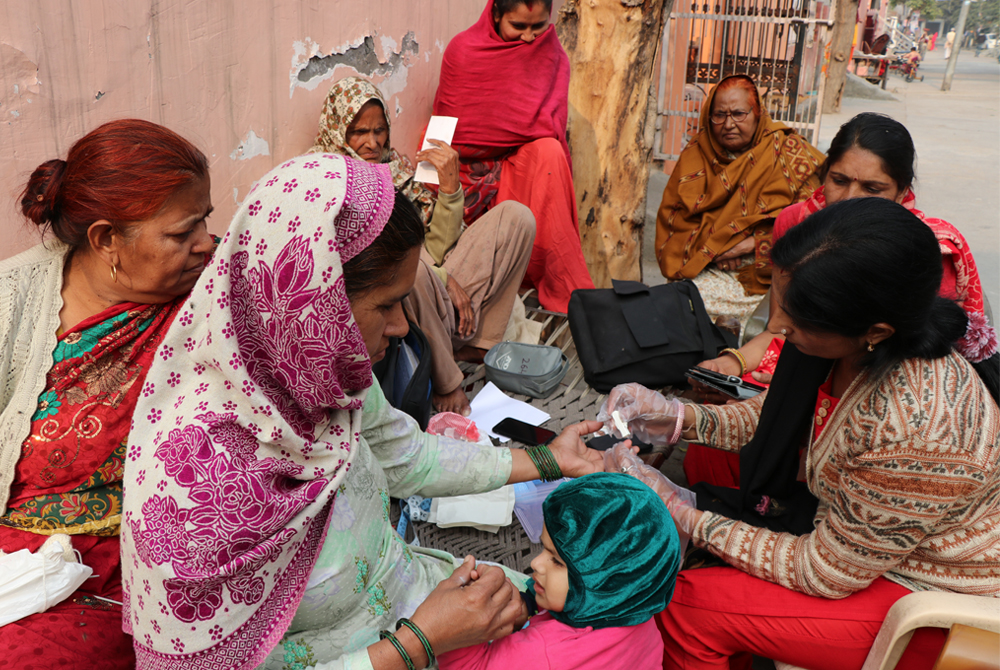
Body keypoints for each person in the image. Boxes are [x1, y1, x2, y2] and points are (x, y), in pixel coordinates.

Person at [120, 153, 608, 670]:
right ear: (314, 302)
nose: (402, 327)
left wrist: (551, 459)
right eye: (387, 304)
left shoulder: (321, 373)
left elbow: (406, 456)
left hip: (419, 606)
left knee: (602, 625)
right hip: (387, 647)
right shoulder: (191, 483)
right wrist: (416, 643)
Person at [607, 198, 1000, 670]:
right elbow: (774, 419)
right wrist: (675, 417)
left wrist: (686, 517)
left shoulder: (915, 431)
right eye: (780, 300)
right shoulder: (843, 344)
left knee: (690, 608)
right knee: (706, 471)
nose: (777, 327)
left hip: (931, 591)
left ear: (875, 330)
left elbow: (825, 570)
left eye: (795, 320)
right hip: (860, 534)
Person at [0, 120, 213, 669]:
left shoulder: (209, 303)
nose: (206, 243)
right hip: (18, 565)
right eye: (181, 233)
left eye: (205, 221)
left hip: (130, 571)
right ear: (105, 240)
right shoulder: (11, 303)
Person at [687, 112, 998, 488]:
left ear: (901, 191)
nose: (848, 199)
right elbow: (782, 328)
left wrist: (685, 514)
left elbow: (892, 366)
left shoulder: (922, 254)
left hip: (869, 379)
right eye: (838, 180)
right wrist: (730, 362)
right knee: (710, 438)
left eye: (872, 188)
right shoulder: (801, 225)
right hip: (809, 359)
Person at [311, 76, 536, 415]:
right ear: (337, 130)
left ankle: (476, 343)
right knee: (413, 274)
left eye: (379, 130)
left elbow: (438, 243)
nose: (372, 143)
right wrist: (442, 278)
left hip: (434, 287)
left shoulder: (394, 168)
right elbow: (369, 260)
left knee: (516, 217)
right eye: (358, 132)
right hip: (397, 303)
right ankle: (446, 381)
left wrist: (449, 190)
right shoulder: (329, 178)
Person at [433, 0, 596, 313]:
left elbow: (548, 129)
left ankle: (563, 287)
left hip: (520, 172)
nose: (530, 38)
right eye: (518, 26)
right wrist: (508, 133)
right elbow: (452, 133)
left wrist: (512, 134)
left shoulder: (554, 56)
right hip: (469, 179)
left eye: (539, 26)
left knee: (549, 151)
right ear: (495, 15)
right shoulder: (465, 51)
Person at [436, 472, 681, 669]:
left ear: (604, 584)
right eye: (544, 549)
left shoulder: (542, 654)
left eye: (557, 561)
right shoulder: (636, 613)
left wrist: (462, 622)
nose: (535, 564)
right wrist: (529, 602)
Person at [654, 74, 824, 325]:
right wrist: (717, 250)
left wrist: (749, 245)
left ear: (758, 113)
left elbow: (813, 225)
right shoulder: (697, 153)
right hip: (705, 265)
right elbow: (675, 221)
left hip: (766, 273)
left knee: (683, 305)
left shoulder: (789, 151)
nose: (728, 123)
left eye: (739, 113)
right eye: (719, 115)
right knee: (674, 303)